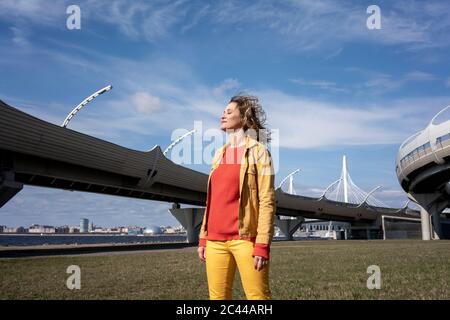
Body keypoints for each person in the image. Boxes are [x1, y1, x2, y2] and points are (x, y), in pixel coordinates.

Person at [197, 94, 276, 300]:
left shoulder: (259, 152)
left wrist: (262, 244)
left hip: (246, 240)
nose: (223, 115)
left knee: (258, 298)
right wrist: (203, 237)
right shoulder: (219, 154)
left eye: (229, 112)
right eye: (223, 112)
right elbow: (212, 200)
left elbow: (267, 201)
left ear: (244, 118)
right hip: (214, 241)